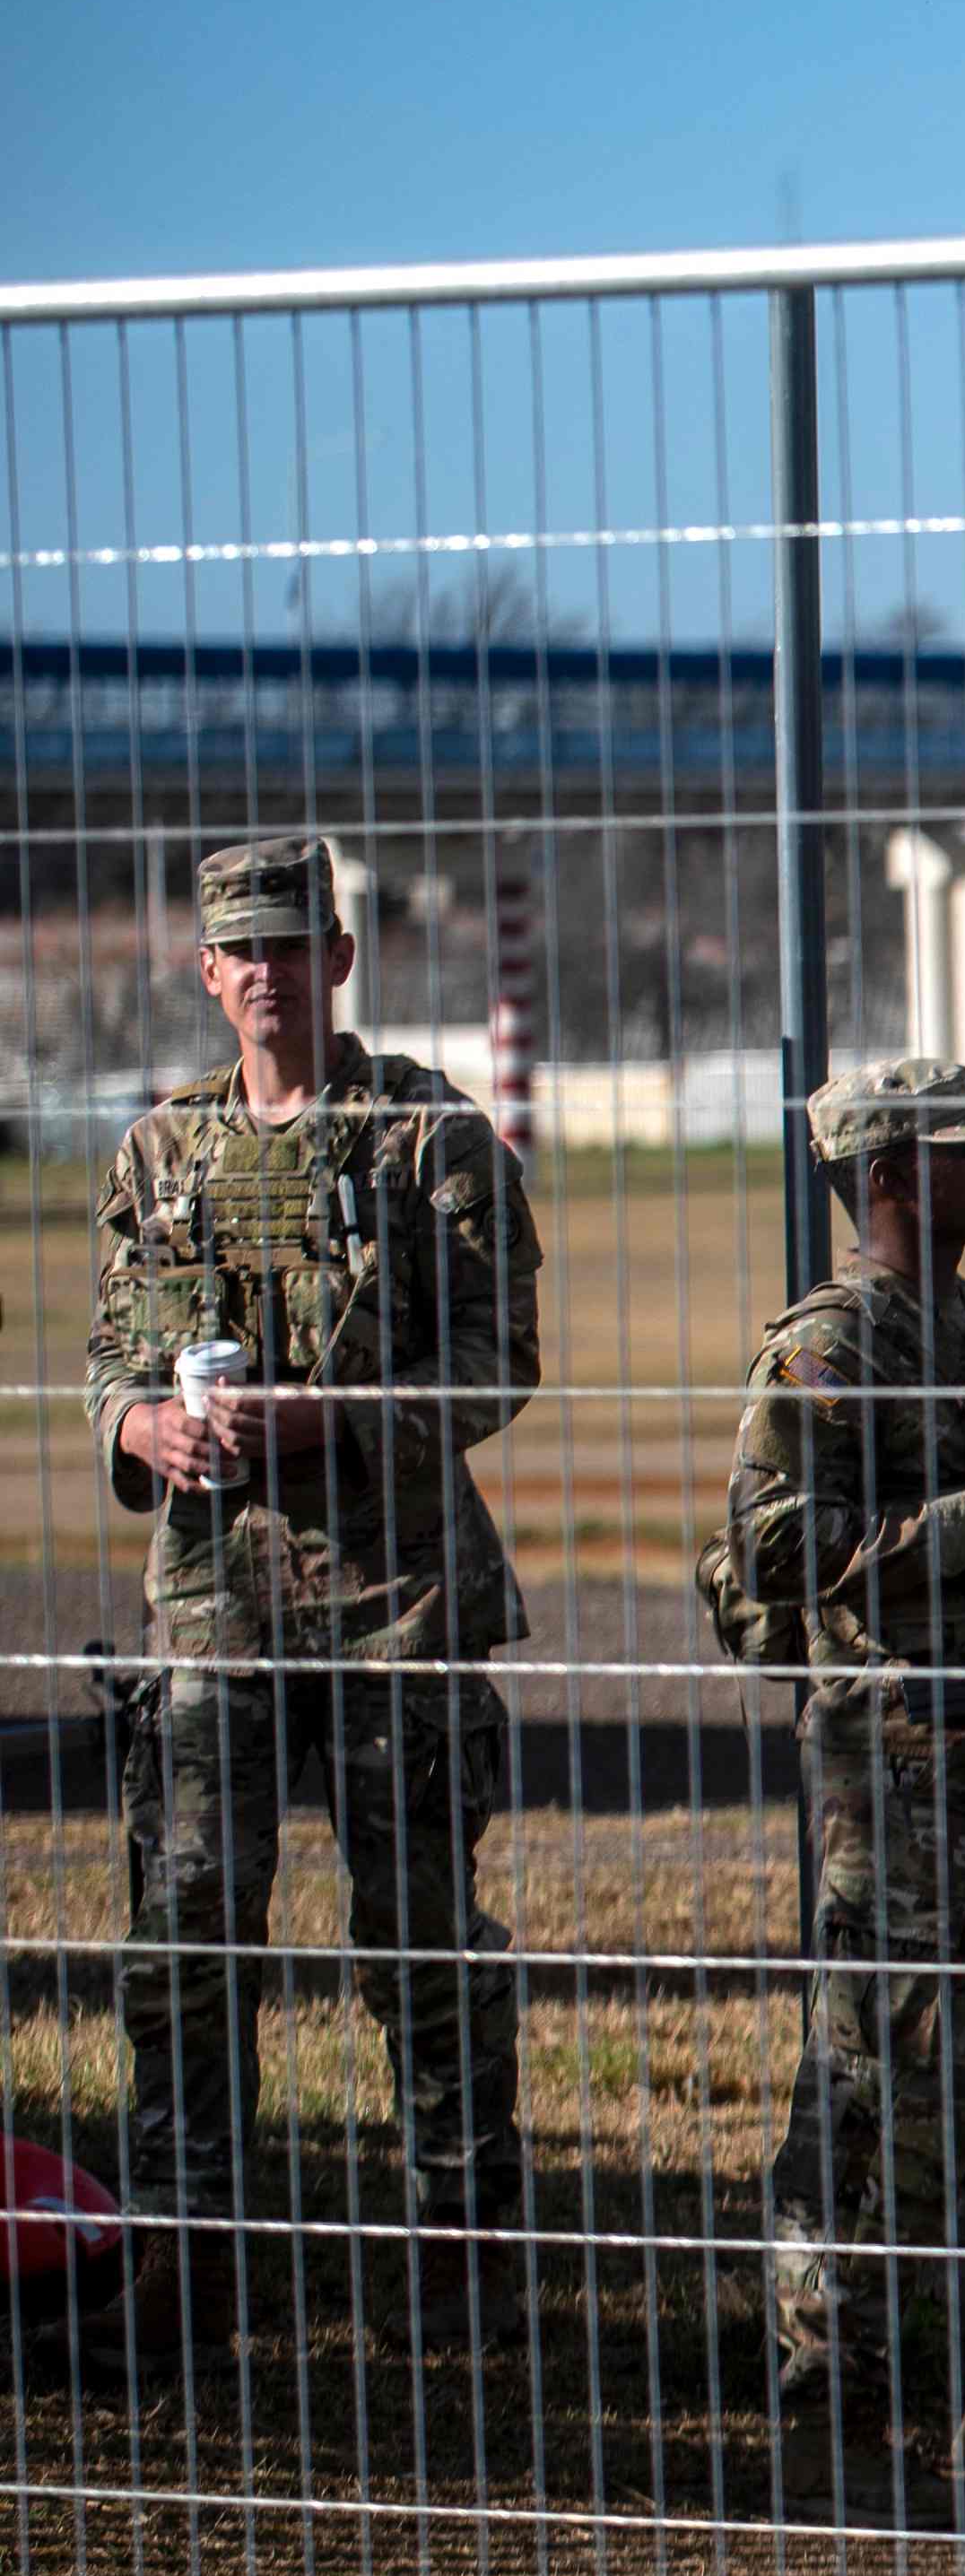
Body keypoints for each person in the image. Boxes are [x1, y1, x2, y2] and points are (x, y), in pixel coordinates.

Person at [85, 835, 544, 2353]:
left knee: (414, 1927)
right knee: (191, 1923)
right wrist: (143, 1425)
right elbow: (110, 1356)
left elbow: (501, 1361)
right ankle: (189, 2251)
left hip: (391, 1594)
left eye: (296, 942)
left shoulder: (430, 1138)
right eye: (244, 949)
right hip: (214, 1598)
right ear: (207, 971)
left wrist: (335, 1412)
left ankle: (459, 2251)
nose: (270, 969)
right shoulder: (161, 1154)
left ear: (339, 959)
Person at [704, 1056, 965, 2489]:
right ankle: (837, 2381)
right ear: (890, 1175)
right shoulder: (831, 1347)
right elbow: (775, 1552)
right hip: (899, 1770)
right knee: (880, 2078)